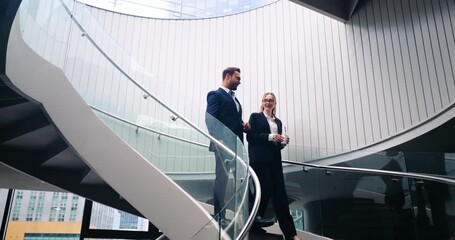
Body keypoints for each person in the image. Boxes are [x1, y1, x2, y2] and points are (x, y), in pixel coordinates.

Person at [247, 92, 301, 240]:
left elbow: (276, 145)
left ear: (275, 103)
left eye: (271, 100)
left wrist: (282, 143)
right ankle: (254, 225)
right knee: (263, 191)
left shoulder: (278, 122)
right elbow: (250, 137)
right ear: (262, 102)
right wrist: (271, 136)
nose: (268, 102)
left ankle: (291, 234)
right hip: (259, 160)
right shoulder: (255, 117)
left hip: (275, 161)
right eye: (265, 100)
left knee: (281, 195)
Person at [205, 67, 251, 226]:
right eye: (237, 78)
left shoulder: (235, 100)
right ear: (228, 76)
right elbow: (210, 118)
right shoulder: (215, 95)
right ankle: (219, 215)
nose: (240, 81)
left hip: (237, 147)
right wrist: (218, 140)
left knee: (241, 180)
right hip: (222, 145)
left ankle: (242, 217)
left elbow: (233, 121)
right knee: (222, 181)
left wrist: (243, 125)